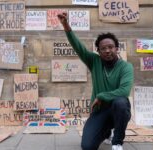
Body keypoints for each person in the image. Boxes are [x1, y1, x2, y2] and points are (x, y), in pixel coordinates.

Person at [57, 12, 134, 150]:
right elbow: (78, 46)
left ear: (117, 48)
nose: (107, 51)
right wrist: (65, 24)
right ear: (98, 51)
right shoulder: (94, 61)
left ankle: (117, 142)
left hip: (118, 109)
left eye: (110, 47)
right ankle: (106, 131)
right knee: (87, 146)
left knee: (121, 102)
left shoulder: (126, 67)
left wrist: (101, 96)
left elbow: (124, 91)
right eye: (103, 48)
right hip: (99, 111)